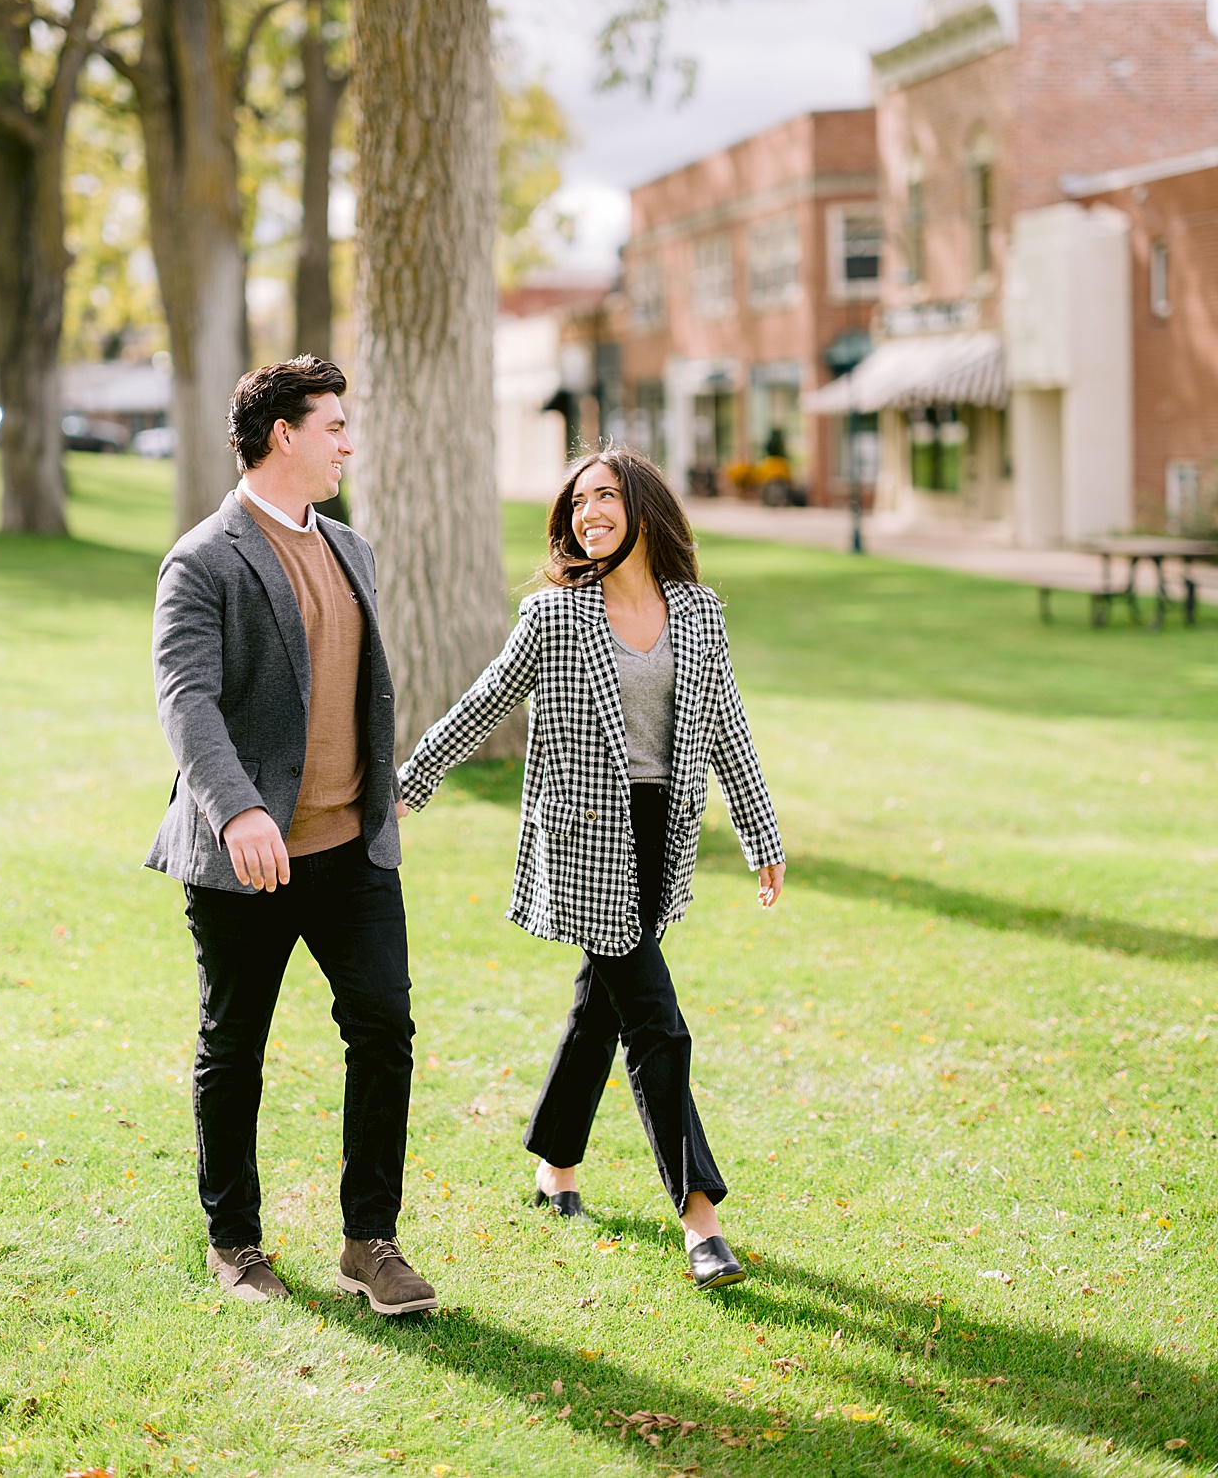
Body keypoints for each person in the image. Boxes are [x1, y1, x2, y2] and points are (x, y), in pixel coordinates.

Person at [398, 448, 784, 1290]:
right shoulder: (553, 617)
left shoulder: (698, 612)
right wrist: (409, 783)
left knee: (600, 1009)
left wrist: (761, 834)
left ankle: (556, 1163)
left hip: (660, 836)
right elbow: (483, 703)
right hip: (585, 844)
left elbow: (726, 724)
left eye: (605, 495)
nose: (588, 511)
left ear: (642, 506)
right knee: (656, 1019)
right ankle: (700, 1218)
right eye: (578, 502)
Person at [144, 355, 436, 1315]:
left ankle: (371, 1240)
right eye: (335, 426)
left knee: (384, 1028)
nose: (349, 442)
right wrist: (238, 807)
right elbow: (186, 700)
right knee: (235, 1046)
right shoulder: (204, 557)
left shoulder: (354, 550)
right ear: (285, 434)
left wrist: (382, 788)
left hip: (353, 850)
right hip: (247, 860)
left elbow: (359, 687)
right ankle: (235, 1241)